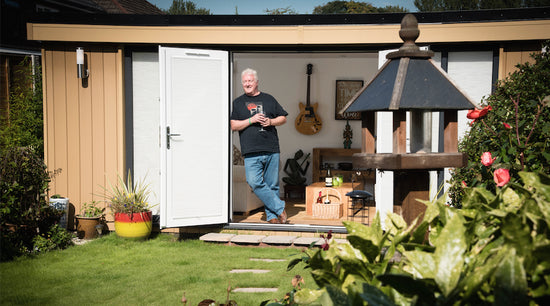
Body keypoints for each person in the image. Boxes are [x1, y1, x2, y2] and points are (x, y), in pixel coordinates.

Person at [230, 68, 289, 224]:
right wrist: (252, 119)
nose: (247, 84)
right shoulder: (238, 103)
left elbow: (283, 118)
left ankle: (273, 217)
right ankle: (279, 207)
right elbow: (233, 125)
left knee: (273, 185)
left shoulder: (269, 99)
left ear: (256, 82)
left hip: (271, 148)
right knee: (254, 182)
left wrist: (270, 121)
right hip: (250, 151)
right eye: (244, 81)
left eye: (250, 81)